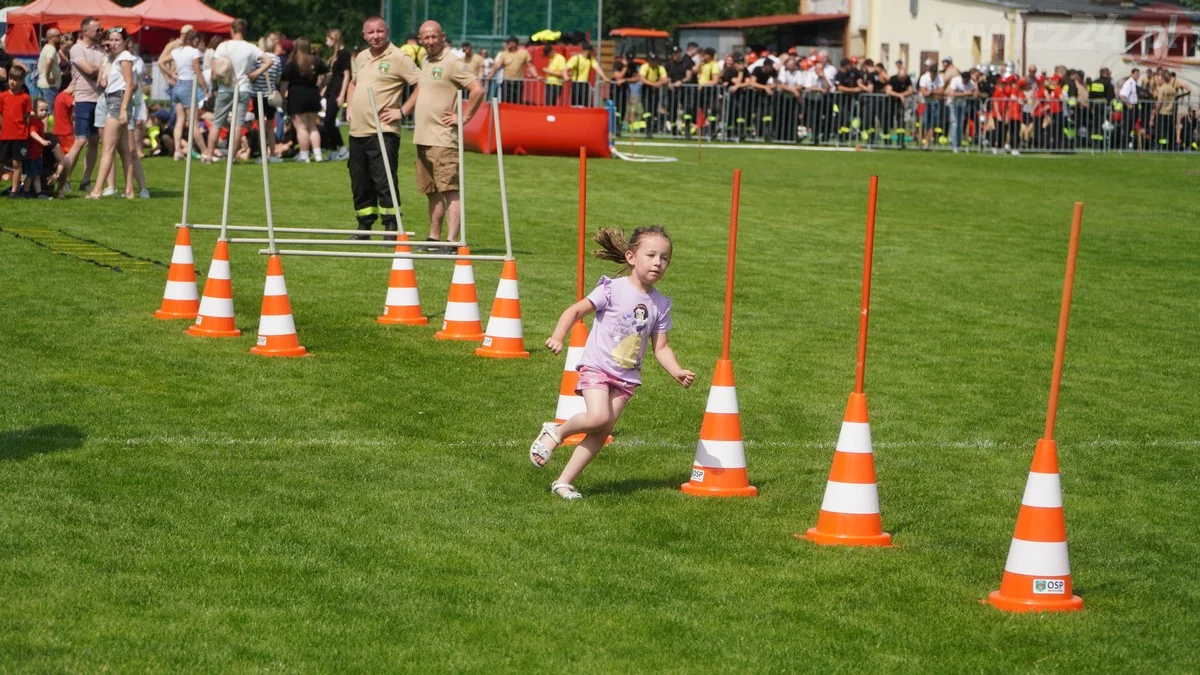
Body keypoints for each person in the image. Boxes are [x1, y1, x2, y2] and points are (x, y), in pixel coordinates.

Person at [529, 226, 695, 500]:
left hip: (627, 377)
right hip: (597, 366)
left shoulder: (661, 304)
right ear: (631, 257)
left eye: (664, 258)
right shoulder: (612, 289)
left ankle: (563, 482)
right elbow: (576, 310)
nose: (657, 262)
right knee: (598, 417)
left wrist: (676, 370)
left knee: (602, 430)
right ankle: (556, 431)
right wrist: (558, 336)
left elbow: (661, 347)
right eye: (651, 255)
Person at [409, 20, 485, 242]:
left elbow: (477, 90)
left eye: (434, 36)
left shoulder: (452, 62)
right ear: (420, 40)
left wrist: (464, 117)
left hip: (443, 139)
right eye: (426, 37)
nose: (430, 41)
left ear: (442, 36)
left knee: (450, 190)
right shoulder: (425, 60)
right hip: (422, 138)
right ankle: (433, 237)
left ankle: (452, 241)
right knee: (431, 191)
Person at [345, 16, 420, 239]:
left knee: (384, 179)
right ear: (364, 35)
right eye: (371, 33)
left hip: (383, 130)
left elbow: (421, 84)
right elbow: (353, 83)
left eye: (379, 31)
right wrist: (349, 107)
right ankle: (364, 225)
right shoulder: (361, 57)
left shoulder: (399, 57)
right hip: (357, 130)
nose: (375, 36)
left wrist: (403, 111)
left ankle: (391, 225)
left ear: (386, 31)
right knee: (359, 180)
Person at [206, 19, 275, 164]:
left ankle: (209, 155)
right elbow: (269, 61)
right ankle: (231, 158)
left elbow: (213, 70)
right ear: (245, 31)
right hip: (243, 87)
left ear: (232, 30)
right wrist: (256, 73)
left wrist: (214, 85)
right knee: (238, 125)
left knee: (217, 123)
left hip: (225, 87)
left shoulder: (223, 46)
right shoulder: (250, 47)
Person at [87, 28, 141, 199]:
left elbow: (130, 85)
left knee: (107, 149)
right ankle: (129, 191)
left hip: (118, 102)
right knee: (124, 150)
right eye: (111, 40)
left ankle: (97, 191)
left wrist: (123, 109)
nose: (113, 43)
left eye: (117, 40)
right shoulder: (115, 58)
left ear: (125, 41)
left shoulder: (124, 58)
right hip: (114, 100)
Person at [66, 17, 106, 194]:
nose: (100, 32)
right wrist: (103, 69)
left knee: (94, 141)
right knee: (80, 141)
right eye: (97, 30)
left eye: (100, 29)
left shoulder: (101, 50)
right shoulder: (77, 49)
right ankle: (65, 179)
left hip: (99, 100)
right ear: (84, 31)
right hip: (83, 100)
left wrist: (101, 69)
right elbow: (89, 71)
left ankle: (85, 180)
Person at [280, 36, 329, 162]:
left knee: (301, 127)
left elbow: (284, 83)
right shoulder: (316, 61)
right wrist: (321, 86)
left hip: (297, 95)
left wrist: (281, 96)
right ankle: (318, 155)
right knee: (313, 126)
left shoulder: (292, 63)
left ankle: (304, 155)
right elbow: (329, 73)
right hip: (313, 93)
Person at [168, 30, 208, 161]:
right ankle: (205, 152)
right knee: (194, 123)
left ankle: (177, 151)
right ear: (194, 39)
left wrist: (171, 74)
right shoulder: (194, 52)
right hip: (189, 85)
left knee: (180, 120)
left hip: (178, 85)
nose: (199, 42)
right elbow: (198, 72)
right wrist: (205, 89)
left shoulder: (177, 51)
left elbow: (161, 61)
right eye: (197, 40)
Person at [1, 64, 32, 197]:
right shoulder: (2, 96)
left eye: (16, 79)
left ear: (22, 81)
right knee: (1, 161)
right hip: (5, 135)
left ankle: (14, 190)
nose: (12, 82)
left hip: (20, 135)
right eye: (10, 78)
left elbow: (28, 116)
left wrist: (26, 130)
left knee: (16, 163)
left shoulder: (25, 97)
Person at [320, 29, 351, 161]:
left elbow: (346, 74)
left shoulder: (344, 54)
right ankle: (333, 149)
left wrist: (342, 94)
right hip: (331, 89)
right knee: (328, 121)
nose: (326, 42)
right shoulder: (335, 55)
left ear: (334, 39)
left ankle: (343, 149)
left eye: (328, 39)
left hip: (338, 89)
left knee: (329, 120)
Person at [488, 36, 535, 104]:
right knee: (505, 102)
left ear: (514, 43)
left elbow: (530, 66)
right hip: (507, 82)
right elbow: (497, 65)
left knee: (517, 102)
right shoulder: (504, 54)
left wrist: (536, 76)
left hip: (517, 82)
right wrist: (491, 74)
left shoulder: (524, 53)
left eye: (508, 43)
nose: (506, 45)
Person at [22, 98, 52, 197]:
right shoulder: (35, 122)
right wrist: (42, 141)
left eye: (46, 110)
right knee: (30, 175)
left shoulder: (40, 123)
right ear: (34, 110)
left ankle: (38, 192)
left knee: (37, 174)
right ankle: (26, 192)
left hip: (37, 154)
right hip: (32, 154)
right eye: (42, 110)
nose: (45, 113)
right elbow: (32, 132)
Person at [565, 43, 608, 108]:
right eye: (591, 51)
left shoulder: (591, 60)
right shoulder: (576, 58)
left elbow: (598, 68)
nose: (592, 53)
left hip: (585, 85)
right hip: (576, 84)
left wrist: (604, 77)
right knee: (575, 105)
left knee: (585, 105)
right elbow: (565, 69)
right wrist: (566, 77)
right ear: (587, 51)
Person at [37, 28, 63, 111]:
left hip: (45, 85)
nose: (60, 38)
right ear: (52, 38)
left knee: (42, 111)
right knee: (48, 112)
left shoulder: (46, 48)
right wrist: (48, 77)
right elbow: (49, 62)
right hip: (49, 87)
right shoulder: (51, 49)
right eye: (58, 36)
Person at [541, 40, 566, 106]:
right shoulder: (551, 59)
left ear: (551, 51)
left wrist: (548, 71)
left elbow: (562, 73)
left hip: (556, 84)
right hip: (549, 83)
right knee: (549, 103)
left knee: (550, 103)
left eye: (547, 54)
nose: (547, 56)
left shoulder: (560, 58)